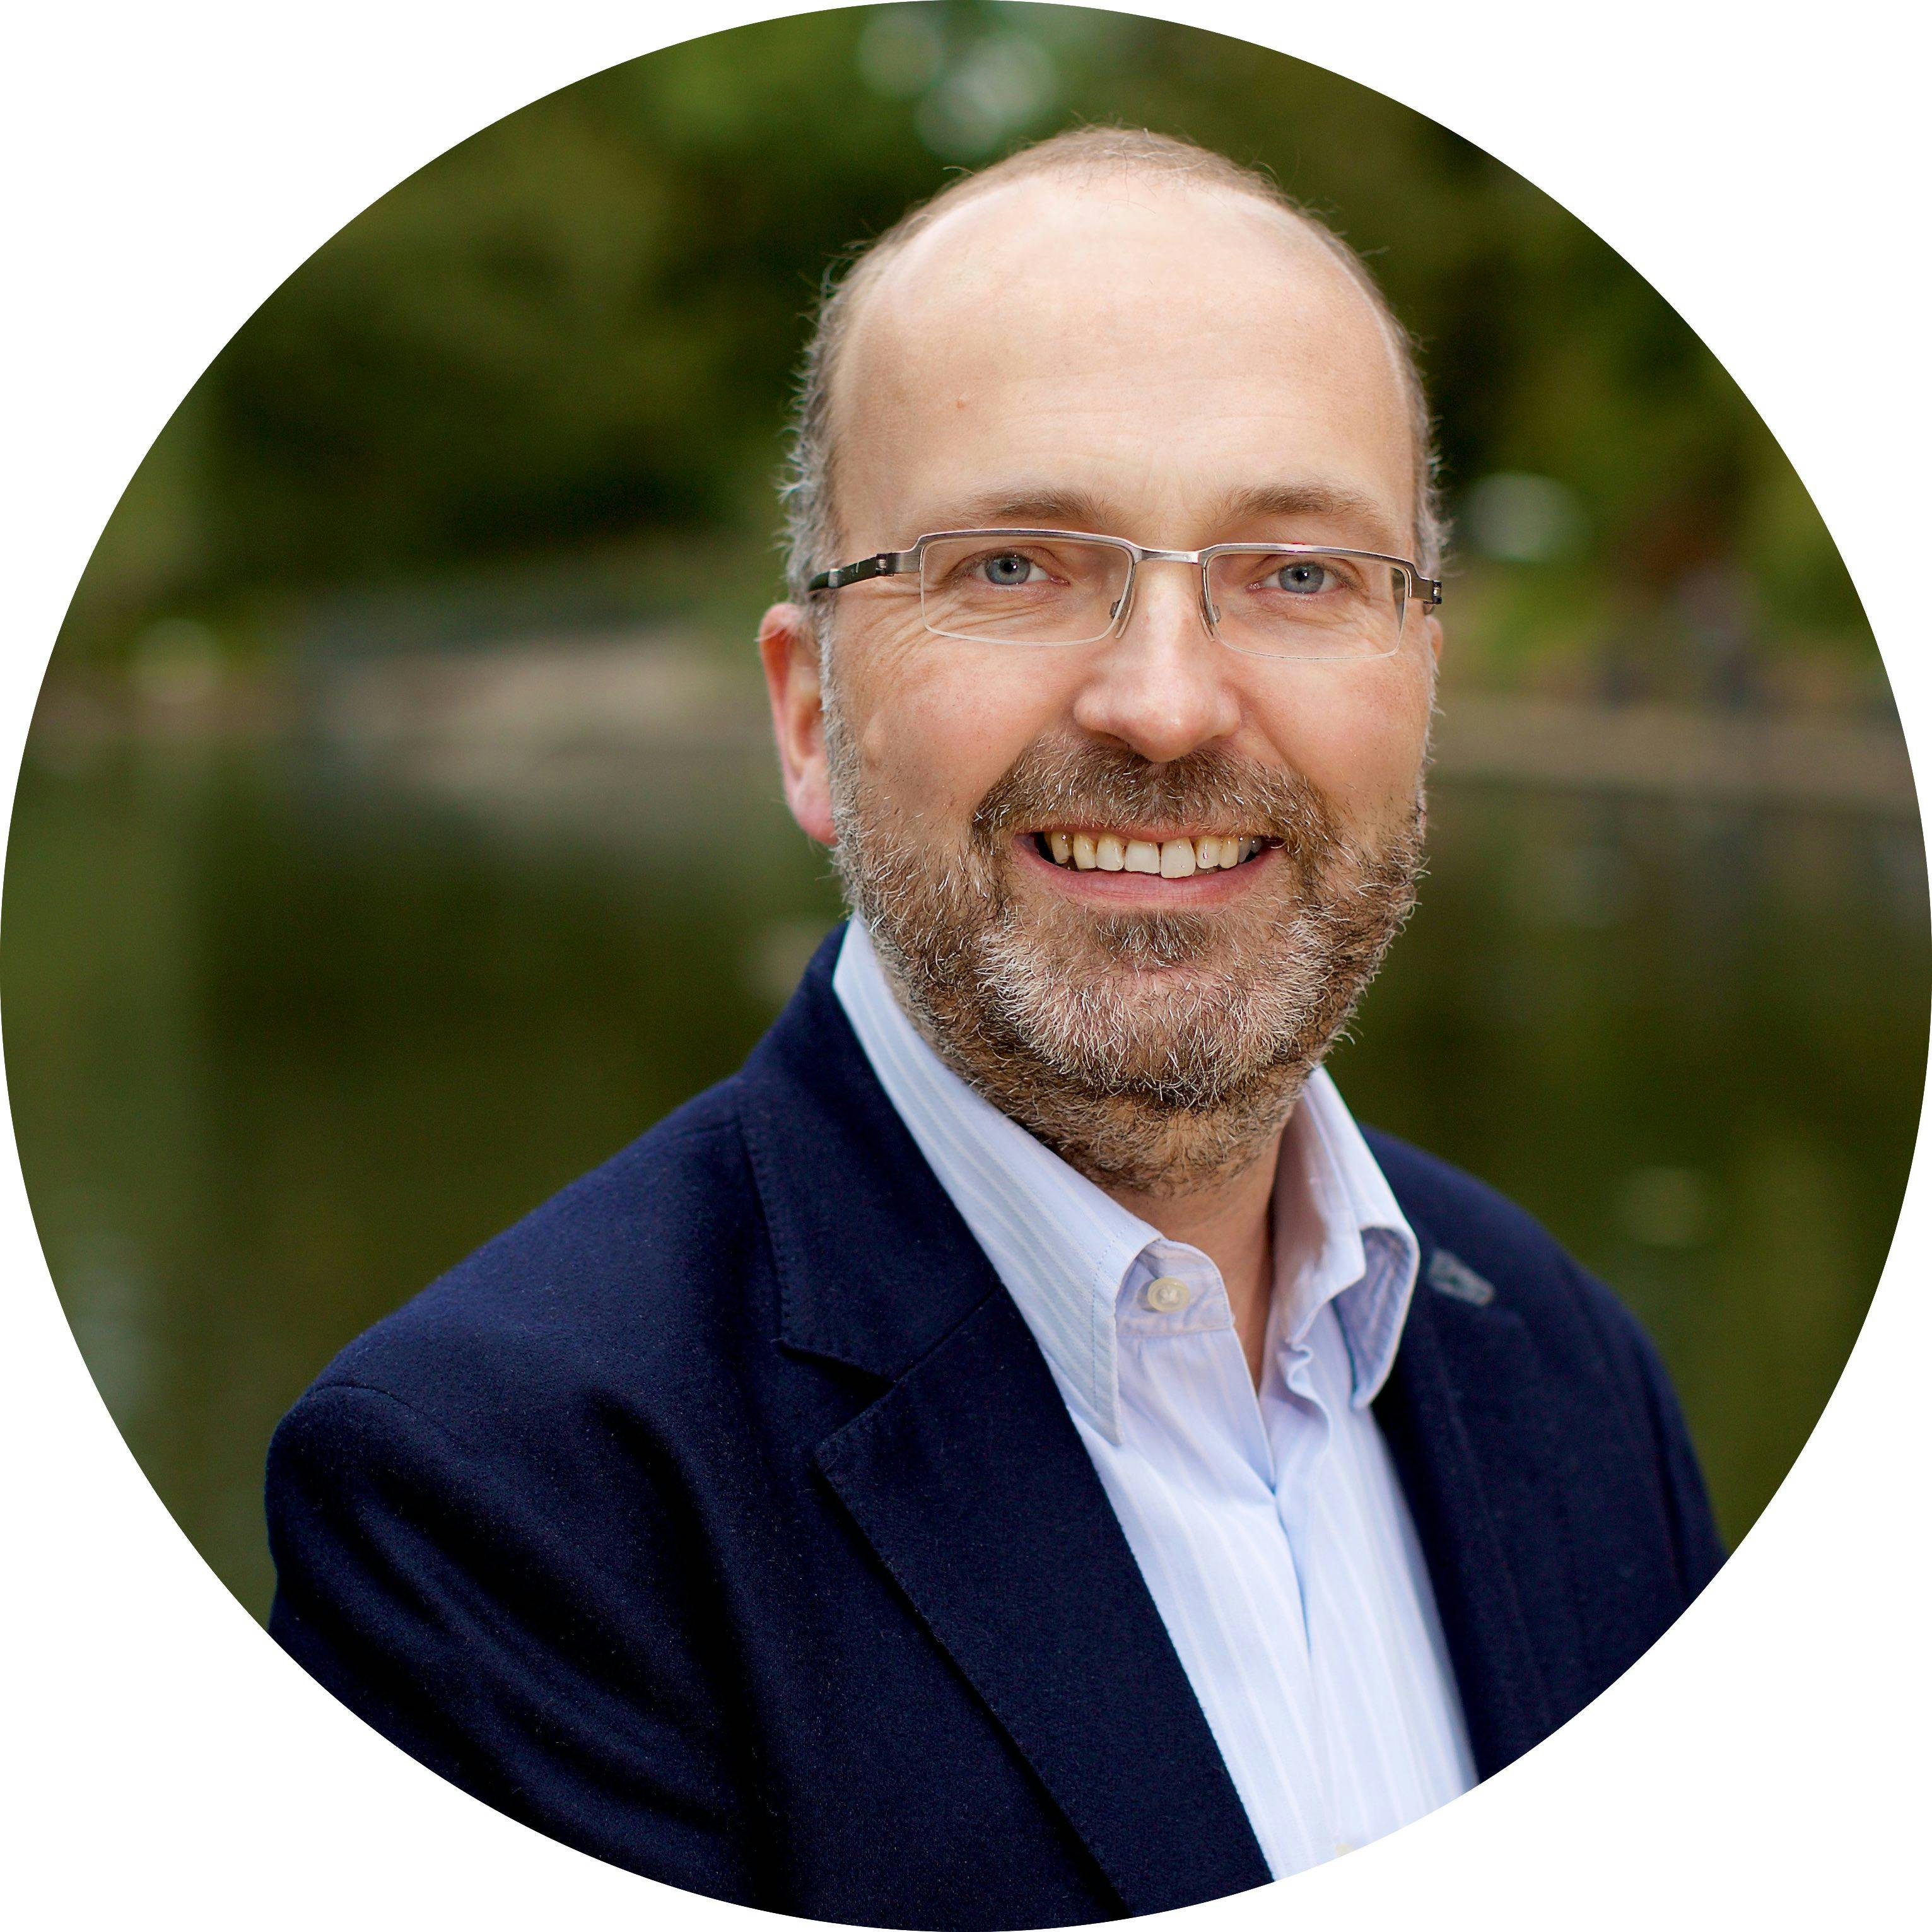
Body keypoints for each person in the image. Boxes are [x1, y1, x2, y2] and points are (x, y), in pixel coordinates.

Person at [266, 127, 1723, 1926]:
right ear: (811, 716)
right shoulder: (497, 1506)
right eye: (1016, 567)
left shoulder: (1572, 1371)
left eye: (1298, 572)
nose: (1167, 705)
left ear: (1422, 682)